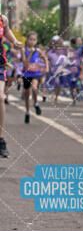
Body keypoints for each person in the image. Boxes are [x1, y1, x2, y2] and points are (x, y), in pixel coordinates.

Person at [0, 15, 22, 156]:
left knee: (0, 97)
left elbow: (6, 31)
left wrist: (14, 41)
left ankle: (0, 140)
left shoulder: (2, 19)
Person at [22, 32, 49, 124]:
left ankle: (36, 104)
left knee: (34, 88)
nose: (32, 41)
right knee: (26, 94)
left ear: (36, 41)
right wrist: (30, 54)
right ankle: (27, 112)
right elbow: (25, 63)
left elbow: (45, 58)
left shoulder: (38, 50)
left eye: (34, 40)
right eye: (30, 39)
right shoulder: (23, 49)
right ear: (27, 40)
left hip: (35, 73)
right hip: (26, 74)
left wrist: (47, 67)